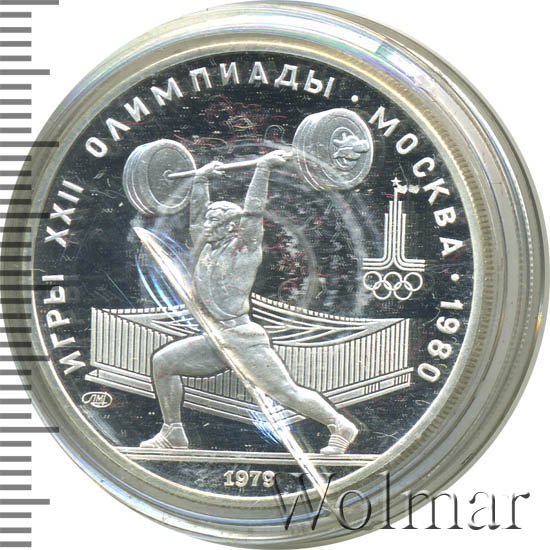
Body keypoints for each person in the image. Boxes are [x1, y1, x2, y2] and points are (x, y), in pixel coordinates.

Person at [140, 150, 358, 454]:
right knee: (163, 363)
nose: (207, 224)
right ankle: (173, 431)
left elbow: (254, 211)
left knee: (287, 394)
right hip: (215, 338)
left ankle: (340, 425)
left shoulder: (244, 248)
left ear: (233, 226)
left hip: (242, 338)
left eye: (216, 219)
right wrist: (201, 179)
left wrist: (263, 168)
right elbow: (197, 215)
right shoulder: (206, 246)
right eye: (208, 218)